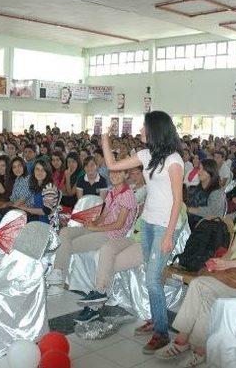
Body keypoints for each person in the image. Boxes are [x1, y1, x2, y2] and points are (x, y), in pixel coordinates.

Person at [154, 178, 236, 367]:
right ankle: (199, 349)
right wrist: (222, 261)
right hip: (231, 272)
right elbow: (232, 250)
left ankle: (182, 340)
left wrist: (229, 265)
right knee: (205, 296)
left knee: (198, 285)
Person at [99, 111, 184, 354]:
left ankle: (161, 333)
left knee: (152, 280)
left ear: (155, 130)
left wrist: (169, 235)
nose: (140, 131)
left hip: (164, 227)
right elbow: (112, 165)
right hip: (147, 222)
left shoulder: (174, 160)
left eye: (144, 128)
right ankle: (156, 320)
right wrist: (105, 137)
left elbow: (178, 201)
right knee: (150, 275)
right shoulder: (146, 155)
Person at [49, 169, 137, 311]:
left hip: (111, 235)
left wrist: (95, 228)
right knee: (65, 232)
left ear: (126, 175)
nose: (114, 176)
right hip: (99, 229)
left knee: (71, 244)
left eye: (119, 173)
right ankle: (58, 273)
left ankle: (58, 282)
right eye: (113, 173)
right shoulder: (112, 191)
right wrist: (93, 224)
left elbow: (119, 224)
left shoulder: (127, 195)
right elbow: (104, 215)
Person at [186, 159, 226, 230]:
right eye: (199, 169)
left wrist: (189, 209)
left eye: (202, 169)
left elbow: (212, 212)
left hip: (207, 228)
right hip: (192, 223)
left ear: (211, 171)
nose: (198, 172)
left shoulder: (217, 193)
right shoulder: (197, 188)